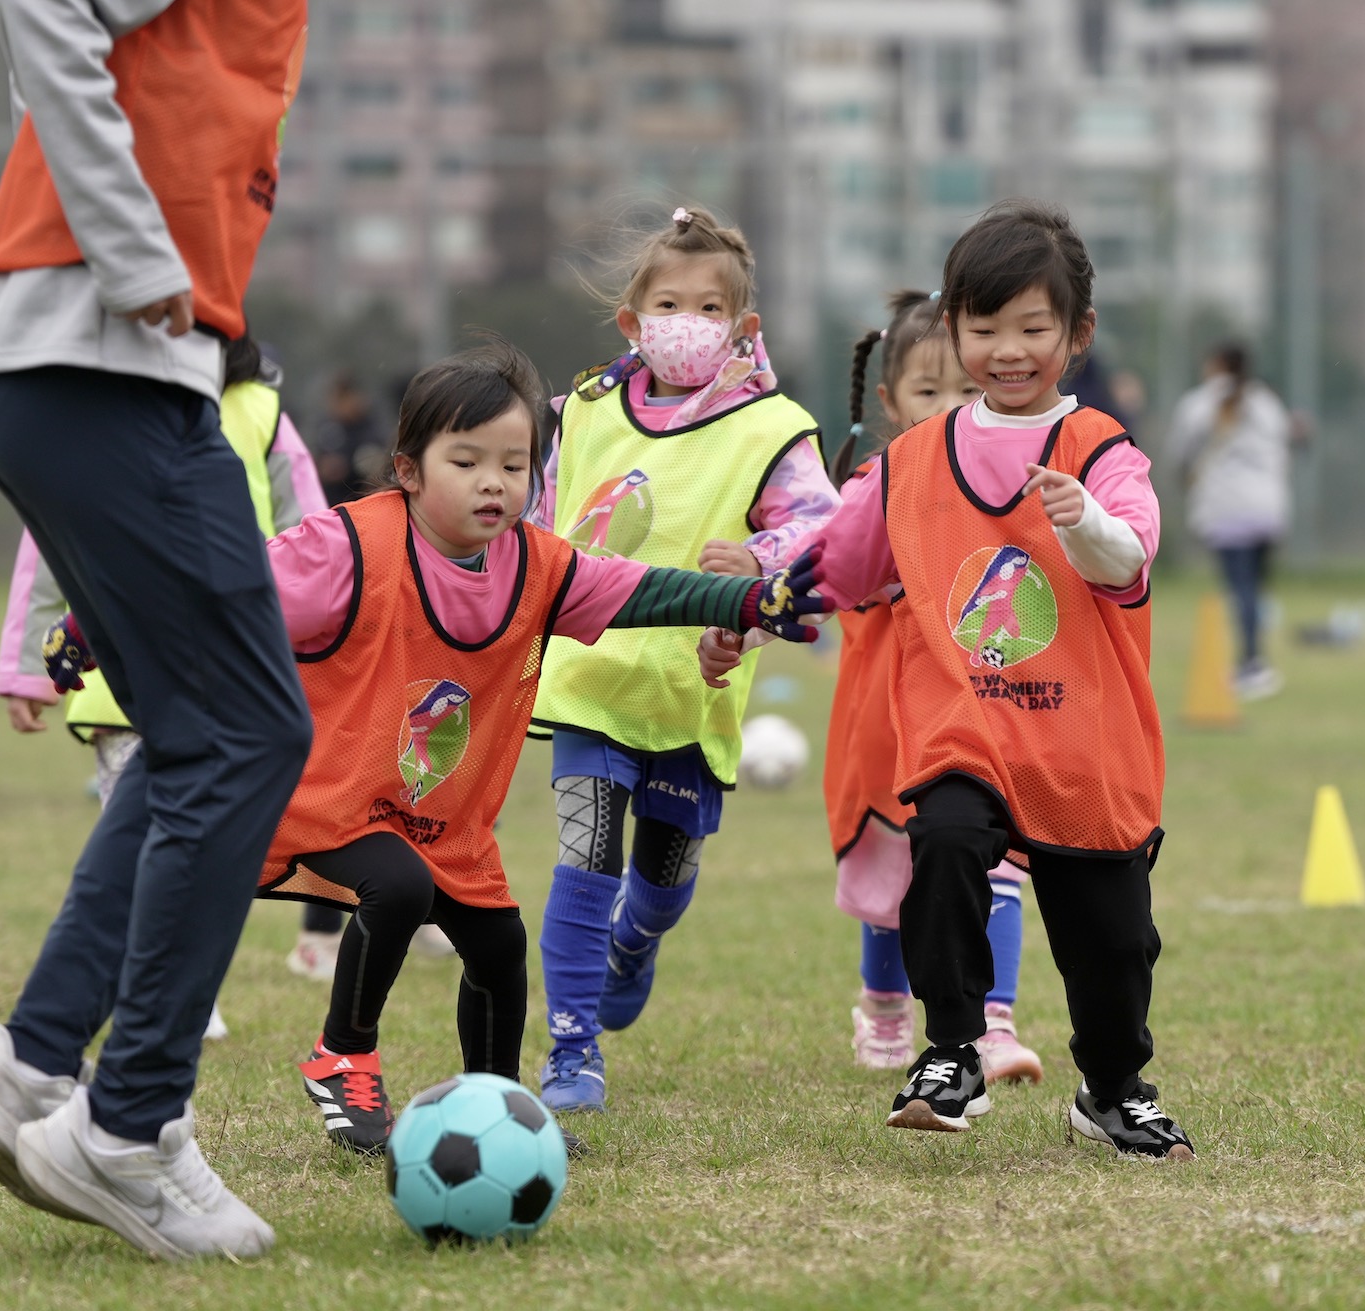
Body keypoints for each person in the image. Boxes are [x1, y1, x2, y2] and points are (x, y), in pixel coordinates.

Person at [0, 0, 529, 1264]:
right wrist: (137, 266)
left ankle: (30, 1065)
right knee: (256, 730)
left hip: (65, 362)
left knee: (203, 733)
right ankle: (127, 1121)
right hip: (97, 359)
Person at [42, 343, 826, 1152]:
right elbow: (219, 591)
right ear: (408, 469)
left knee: (497, 946)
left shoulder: (540, 564)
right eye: (467, 459)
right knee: (398, 885)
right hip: (325, 790)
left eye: (515, 464)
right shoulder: (344, 548)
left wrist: (748, 596)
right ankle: (341, 1055)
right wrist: (94, 622)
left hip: (439, 813)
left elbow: (646, 588)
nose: (495, 481)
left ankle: (497, 1106)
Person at [778, 200, 1192, 1161]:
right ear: (954, 327)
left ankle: (1113, 1087)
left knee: (1113, 940)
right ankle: (952, 1048)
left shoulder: (1102, 450)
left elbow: (1129, 557)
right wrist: (750, 615)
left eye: (1031, 328)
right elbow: (836, 570)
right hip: (962, 722)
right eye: (985, 327)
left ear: (1075, 334)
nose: (1008, 349)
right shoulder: (908, 463)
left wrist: (1081, 517)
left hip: (1083, 734)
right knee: (950, 839)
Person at [530, 204, 838, 1115]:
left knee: (661, 882)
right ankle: (571, 1049)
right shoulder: (582, 411)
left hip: (689, 688)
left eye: (709, 309)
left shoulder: (774, 427)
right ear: (632, 320)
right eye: (668, 303)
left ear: (742, 327)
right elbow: (542, 522)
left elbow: (821, 529)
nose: (686, 322)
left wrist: (759, 563)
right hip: (588, 674)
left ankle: (638, 935)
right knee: (582, 852)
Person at [0, 333, 334, 1035]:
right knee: (145, 844)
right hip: (120, 682)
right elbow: (50, 542)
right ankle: (159, 990)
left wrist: (321, 632)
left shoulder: (261, 410)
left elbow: (313, 533)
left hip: (234, 673)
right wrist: (29, 667)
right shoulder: (104, 413)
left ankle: (180, 983)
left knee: (206, 844)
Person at [742, 290, 1041, 1080]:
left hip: (982, 719)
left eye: (965, 391)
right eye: (926, 391)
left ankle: (993, 1022)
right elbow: (825, 570)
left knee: (998, 862)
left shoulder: (1005, 487)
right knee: (888, 879)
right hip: (885, 727)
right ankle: (882, 1009)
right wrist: (755, 586)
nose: (949, 409)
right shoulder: (873, 490)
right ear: (887, 401)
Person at [1164, 342, 1294, 698]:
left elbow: (1179, 452)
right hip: (1269, 506)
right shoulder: (1266, 402)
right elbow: (1286, 444)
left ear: (1216, 365)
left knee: (1241, 590)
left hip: (1227, 509)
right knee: (1256, 588)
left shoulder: (1199, 404)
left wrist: (1185, 480)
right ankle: (1255, 655)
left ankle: (1252, 664)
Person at [313, 369, 389, 506]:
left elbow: (375, 465)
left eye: (345, 398)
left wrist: (348, 467)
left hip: (360, 502)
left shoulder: (371, 429)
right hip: (329, 503)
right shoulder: (327, 426)